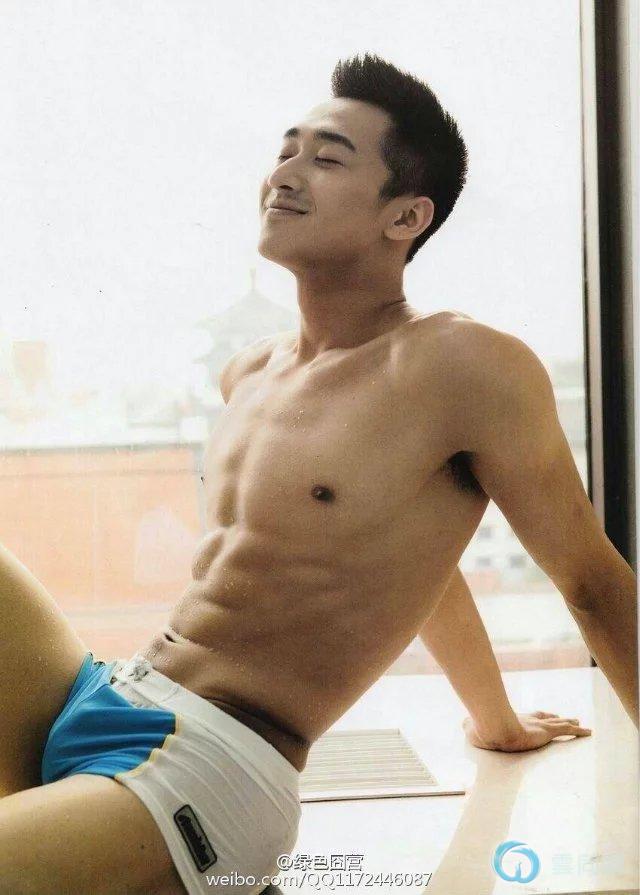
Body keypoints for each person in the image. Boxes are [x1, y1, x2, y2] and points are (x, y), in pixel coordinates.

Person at [0, 52, 636, 895]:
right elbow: (409, 563)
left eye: (327, 158)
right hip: (110, 694)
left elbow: (593, 582)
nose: (286, 173)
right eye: (286, 150)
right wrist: (495, 718)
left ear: (405, 215)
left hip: (210, 767)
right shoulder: (251, 372)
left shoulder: (463, 364)